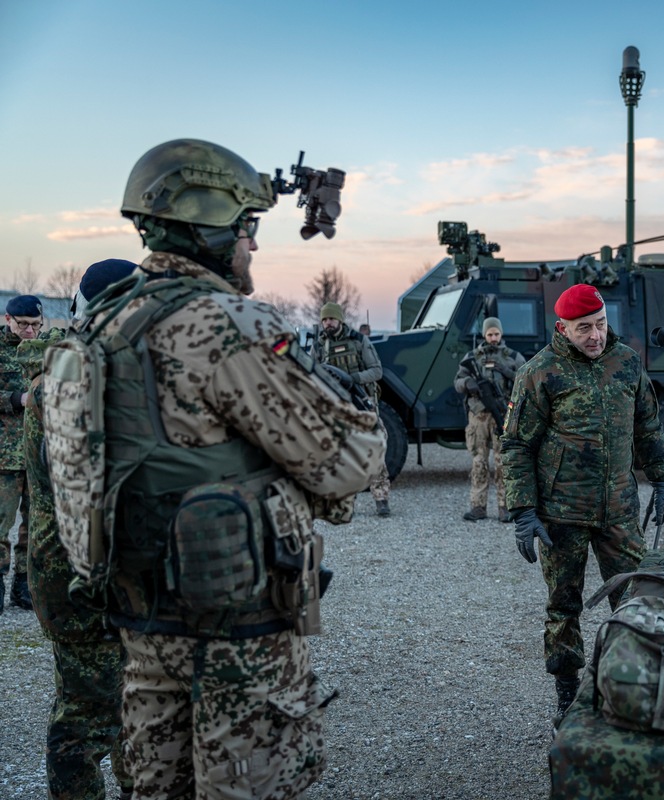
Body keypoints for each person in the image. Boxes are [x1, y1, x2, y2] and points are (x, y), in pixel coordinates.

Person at [46, 138, 386, 800]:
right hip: (237, 628)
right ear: (210, 227)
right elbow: (347, 463)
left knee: (156, 787)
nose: (252, 246)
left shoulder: (104, 325)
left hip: (143, 625)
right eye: (245, 229)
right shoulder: (223, 325)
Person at [501, 283, 664, 717]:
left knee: (637, 598)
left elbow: (648, 429)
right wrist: (523, 511)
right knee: (564, 604)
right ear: (562, 328)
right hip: (562, 512)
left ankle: (634, 685)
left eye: (600, 324)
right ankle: (566, 691)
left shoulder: (627, 363)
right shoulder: (539, 372)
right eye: (584, 329)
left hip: (619, 509)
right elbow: (516, 445)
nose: (595, 336)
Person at [22, 259, 137, 800]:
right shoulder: (71, 372)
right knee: (87, 710)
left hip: (108, 570)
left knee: (134, 700)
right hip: (78, 576)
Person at [314, 301, 393, 516]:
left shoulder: (359, 341)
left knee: (374, 448)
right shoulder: (319, 345)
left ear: (340, 319)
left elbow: (377, 371)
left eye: (331, 318)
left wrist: (353, 379)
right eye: (324, 319)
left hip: (362, 401)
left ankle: (381, 498)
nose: (327, 323)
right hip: (336, 406)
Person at [454, 316, 525, 522]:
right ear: (484, 334)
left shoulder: (512, 356)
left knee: (503, 463)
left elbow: (527, 380)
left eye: (496, 334)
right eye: (490, 334)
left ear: (501, 334)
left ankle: (504, 507)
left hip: (503, 415)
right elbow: (457, 381)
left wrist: (507, 372)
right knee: (479, 461)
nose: (493, 338)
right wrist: (468, 383)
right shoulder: (472, 357)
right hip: (478, 415)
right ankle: (478, 506)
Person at [0, 293, 42, 611]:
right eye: (23, 325)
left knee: (35, 524)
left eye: (35, 326)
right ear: (8, 320)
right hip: (4, 454)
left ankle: (25, 587)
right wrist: (16, 398)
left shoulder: (48, 352)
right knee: (1, 523)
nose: (29, 331)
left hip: (38, 453)